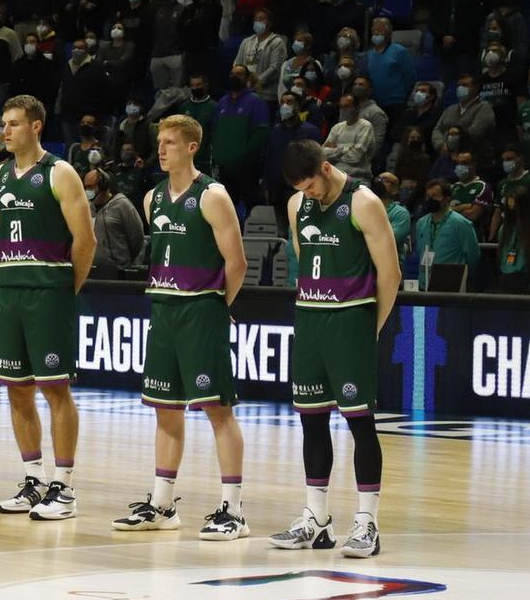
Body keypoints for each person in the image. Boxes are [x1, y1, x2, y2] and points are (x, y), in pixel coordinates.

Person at [117, 114, 250, 538]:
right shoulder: (152, 198)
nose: (161, 149)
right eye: (160, 142)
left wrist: (217, 305)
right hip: (164, 311)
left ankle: (233, 509)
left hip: (200, 312)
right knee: (165, 410)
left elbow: (237, 262)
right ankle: (162, 503)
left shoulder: (212, 195)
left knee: (217, 410)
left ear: (192, 147)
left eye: (171, 142)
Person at [275, 140, 403, 559]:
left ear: (326, 168)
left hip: (351, 321)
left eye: (312, 185)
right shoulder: (297, 205)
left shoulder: (363, 203)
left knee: (360, 424)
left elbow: (391, 272)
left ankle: (367, 522)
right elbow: (301, 254)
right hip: (310, 318)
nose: (308, 194)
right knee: (311, 422)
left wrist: (372, 326)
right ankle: (316, 518)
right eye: (301, 188)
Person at [0, 96, 98, 520]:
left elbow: (85, 240)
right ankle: (33, 480)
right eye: (4, 123)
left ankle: (64, 487)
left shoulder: (60, 173)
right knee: (17, 389)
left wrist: (65, 287)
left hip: (48, 292)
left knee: (55, 389)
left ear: (36, 127)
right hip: (9, 291)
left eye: (14, 123)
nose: (5, 130)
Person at [410, 182, 480, 290]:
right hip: (424, 284)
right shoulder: (421, 223)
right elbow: (420, 251)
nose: (429, 200)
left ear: (447, 199)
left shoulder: (461, 224)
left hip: (451, 286)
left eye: (434, 196)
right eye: (428, 196)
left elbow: (472, 257)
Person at [84, 167, 144, 275]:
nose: (88, 191)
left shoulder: (122, 205)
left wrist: (121, 259)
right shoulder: (88, 207)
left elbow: (137, 238)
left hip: (118, 271)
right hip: (92, 270)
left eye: (90, 187)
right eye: (86, 187)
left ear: (103, 185)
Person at [494, 189, 530, 288]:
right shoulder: (504, 230)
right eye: (509, 208)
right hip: (505, 280)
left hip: (529, 283)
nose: (512, 213)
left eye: (515, 209)